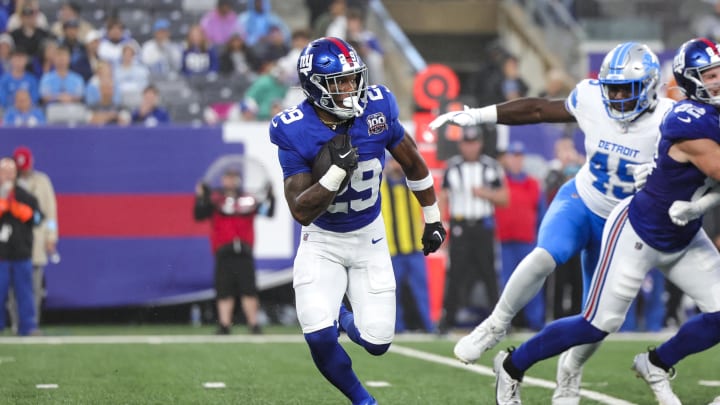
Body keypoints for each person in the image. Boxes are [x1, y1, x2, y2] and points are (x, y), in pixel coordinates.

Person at [429, 41, 674, 402]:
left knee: (600, 323)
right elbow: (539, 109)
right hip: (581, 201)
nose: (619, 96)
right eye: (613, 87)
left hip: (622, 224)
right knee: (547, 254)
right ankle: (495, 326)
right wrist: (480, 115)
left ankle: (569, 370)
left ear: (651, 87)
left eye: (628, 88)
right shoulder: (592, 99)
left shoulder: (669, 118)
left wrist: (660, 176)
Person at [486, 37, 720, 405]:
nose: (717, 81)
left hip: (683, 235)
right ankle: (513, 365)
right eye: (709, 75)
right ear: (690, 80)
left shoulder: (706, 114)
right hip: (638, 232)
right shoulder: (686, 119)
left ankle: (657, 363)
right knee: (597, 324)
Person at [269, 37, 445, 405]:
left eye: (353, 78)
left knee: (377, 342)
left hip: (369, 238)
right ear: (315, 85)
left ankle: (345, 316)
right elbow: (300, 210)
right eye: (339, 82)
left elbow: (413, 162)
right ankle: (364, 401)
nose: (351, 89)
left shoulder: (377, 108)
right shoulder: (294, 128)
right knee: (318, 332)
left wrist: (432, 218)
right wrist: (334, 175)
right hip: (323, 241)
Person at [437, 125, 508, 334]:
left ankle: (500, 321)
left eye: (473, 143)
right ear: (461, 145)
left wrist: (485, 193)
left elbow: (504, 198)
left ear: (480, 144)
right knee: (455, 274)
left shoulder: (491, 167)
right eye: (466, 143)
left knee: (489, 275)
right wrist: (441, 225)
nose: (470, 148)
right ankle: (446, 321)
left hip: (483, 225)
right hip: (460, 226)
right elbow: (443, 197)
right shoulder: (452, 167)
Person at [193, 168, 275, 335]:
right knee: (224, 290)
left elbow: (268, 212)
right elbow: (199, 214)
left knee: (249, 289)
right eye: (227, 177)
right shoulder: (215, 199)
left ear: (238, 180)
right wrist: (200, 196)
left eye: (233, 178)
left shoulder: (248, 200)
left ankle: (254, 325)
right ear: (222, 180)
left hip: (244, 251)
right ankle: (224, 325)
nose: (230, 181)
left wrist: (271, 196)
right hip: (223, 250)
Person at [495, 141, 546, 331]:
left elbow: (541, 213)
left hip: (527, 241)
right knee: (506, 282)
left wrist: (542, 239)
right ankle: (504, 322)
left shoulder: (532, 184)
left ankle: (536, 322)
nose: (516, 160)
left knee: (531, 282)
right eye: (513, 156)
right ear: (507, 158)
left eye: (519, 156)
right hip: (505, 241)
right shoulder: (500, 182)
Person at [380, 154, 434, 334]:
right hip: (392, 249)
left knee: (422, 290)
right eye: (393, 161)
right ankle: (395, 327)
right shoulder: (380, 186)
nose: (396, 165)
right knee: (391, 292)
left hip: (414, 247)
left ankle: (430, 325)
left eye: (398, 161)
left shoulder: (413, 184)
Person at [7, 147, 57, 329]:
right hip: (15, 241)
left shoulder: (42, 182)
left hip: (36, 240)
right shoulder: (9, 183)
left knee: (34, 286)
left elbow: (50, 213)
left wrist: (51, 236)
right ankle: (15, 322)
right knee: (13, 287)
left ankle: (31, 323)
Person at [0, 157, 41, 336]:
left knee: (25, 293)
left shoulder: (25, 196)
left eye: (11, 171)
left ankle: (28, 326)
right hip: (1, 255)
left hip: (21, 253)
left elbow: (39, 218)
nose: (8, 175)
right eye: (4, 171)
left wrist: (23, 212)